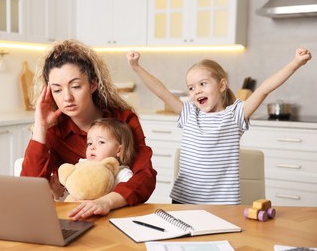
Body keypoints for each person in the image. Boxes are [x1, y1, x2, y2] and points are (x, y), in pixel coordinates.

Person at [126, 48, 312, 205]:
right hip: (184, 200)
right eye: (191, 87)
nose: (196, 90)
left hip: (222, 204)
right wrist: (136, 68)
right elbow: (162, 92)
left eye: (203, 84)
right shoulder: (190, 113)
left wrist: (295, 63)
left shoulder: (235, 115)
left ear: (222, 85)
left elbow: (264, 88)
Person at [20, 40, 156, 220]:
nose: (67, 97)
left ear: (93, 84)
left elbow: (145, 177)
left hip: (120, 215)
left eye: (75, 86)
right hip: (74, 217)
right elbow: (29, 191)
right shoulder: (53, 130)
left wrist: (106, 202)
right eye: (57, 90)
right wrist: (40, 128)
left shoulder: (124, 119)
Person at [79, 118, 135, 189]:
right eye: (90, 143)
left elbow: (125, 196)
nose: (92, 147)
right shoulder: (82, 165)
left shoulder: (123, 175)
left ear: (119, 150)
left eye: (101, 142)